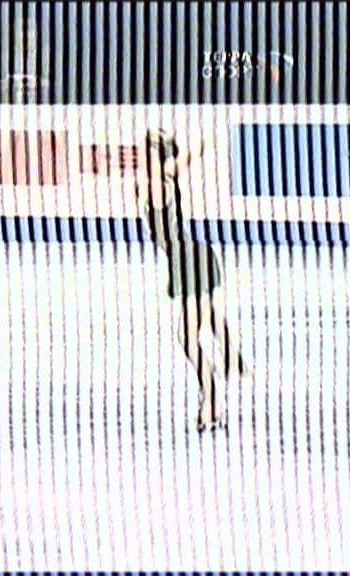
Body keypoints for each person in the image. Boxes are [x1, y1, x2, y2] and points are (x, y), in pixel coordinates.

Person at [137, 129, 251, 432]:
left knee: (187, 336)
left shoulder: (158, 182)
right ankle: (232, 362)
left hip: (189, 260)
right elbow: (185, 157)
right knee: (202, 318)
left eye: (148, 153)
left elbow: (180, 159)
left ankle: (211, 398)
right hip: (188, 258)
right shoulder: (159, 179)